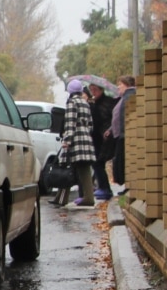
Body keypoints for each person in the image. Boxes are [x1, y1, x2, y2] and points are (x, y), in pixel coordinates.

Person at [53, 78, 98, 208]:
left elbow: (70, 123)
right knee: (81, 167)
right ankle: (62, 197)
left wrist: (67, 140)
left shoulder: (72, 103)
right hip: (86, 137)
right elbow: (90, 124)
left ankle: (87, 198)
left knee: (69, 166)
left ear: (70, 91)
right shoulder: (85, 103)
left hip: (76, 138)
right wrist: (86, 133)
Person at [106, 75, 136, 194]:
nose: (118, 87)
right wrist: (111, 129)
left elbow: (125, 116)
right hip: (121, 134)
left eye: (120, 84)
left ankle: (128, 186)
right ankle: (127, 186)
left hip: (124, 135)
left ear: (127, 85)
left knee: (123, 161)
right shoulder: (124, 97)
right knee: (121, 160)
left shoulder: (129, 96)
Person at [87, 82, 117, 200]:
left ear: (101, 90)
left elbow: (110, 118)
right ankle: (103, 187)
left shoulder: (108, 102)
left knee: (99, 162)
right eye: (91, 90)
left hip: (106, 136)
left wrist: (109, 129)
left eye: (95, 90)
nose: (93, 92)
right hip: (96, 137)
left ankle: (105, 188)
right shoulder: (93, 103)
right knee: (97, 162)